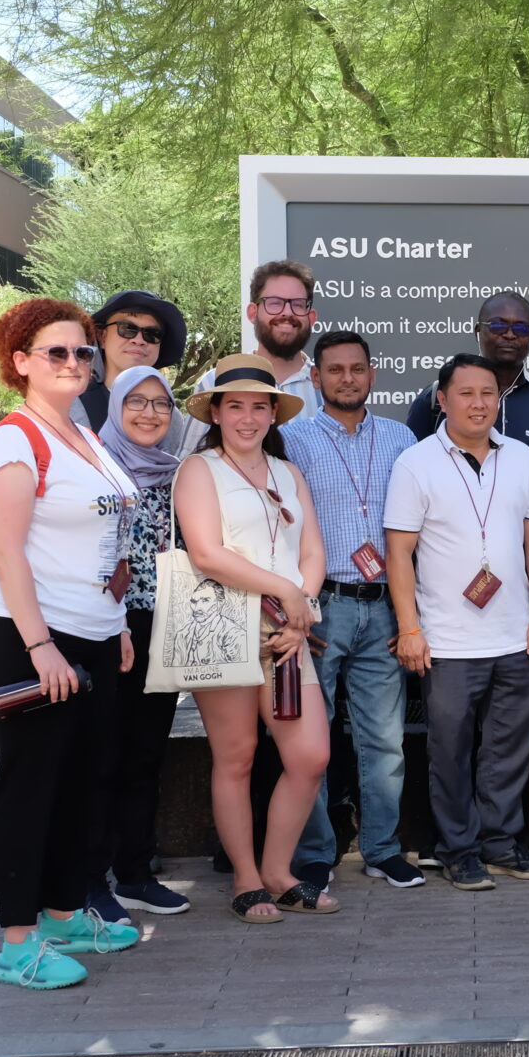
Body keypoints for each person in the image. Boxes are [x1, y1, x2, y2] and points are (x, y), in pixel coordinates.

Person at [0, 298, 140, 989]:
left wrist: (119, 626)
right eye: (56, 353)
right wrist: (41, 648)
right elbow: (7, 555)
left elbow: (105, 541)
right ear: (21, 363)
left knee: (85, 784)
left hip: (95, 636)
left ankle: (65, 913)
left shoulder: (83, 434)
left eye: (82, 353)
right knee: (31, 787)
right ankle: (18, 943)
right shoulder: (15, 439)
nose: (74, 363)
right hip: (29, 638)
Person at [385, 353, 529, 892]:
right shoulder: (416, 463)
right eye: (466, 393)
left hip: (516, 635)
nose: (479, 402)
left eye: (488, 393)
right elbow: (399, 553)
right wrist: (410, 629)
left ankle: (501, 844)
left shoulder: (523, 458)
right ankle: (459, 850)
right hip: (448, 641)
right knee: (450, 751)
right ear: (442, 399)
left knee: (508, 750)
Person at [172, 354, 335, 922]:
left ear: (274, 414)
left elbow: (313, 551)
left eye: (259, 407)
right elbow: (206, 553)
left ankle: (278, 870)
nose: (247, 418)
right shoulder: (199, 470)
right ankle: (246, 879)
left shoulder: (287, 473)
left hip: (290, 632)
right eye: (234, 405)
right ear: (216, 412)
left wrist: (299, 608)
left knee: (310, 755)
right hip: (224, 624)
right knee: (236, 756)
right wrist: (286, 593)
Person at [279, 330, 424, 893]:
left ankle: (383, 849)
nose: (346, 378)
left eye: (356, 369)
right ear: (315, 377)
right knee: (309, 739)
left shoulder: (400, 438)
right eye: (334, 369)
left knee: (383, 738)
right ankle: (315, 852)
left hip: (384, 608)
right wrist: (293, 612)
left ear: (372, 374)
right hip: (320, 610)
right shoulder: (288, 440)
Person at [407, 291, 529, 630]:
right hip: (447, 575)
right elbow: (409, 489)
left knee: (523, 673)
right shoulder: (435, 402)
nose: (510, 334)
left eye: (521, 328)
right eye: (498, 325)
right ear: (477, 330)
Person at [86, 366, 190, 924]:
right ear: (117, 407)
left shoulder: (178, 475)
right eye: (137, 403)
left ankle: (135, 873)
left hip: (163, 627)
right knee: (102, 754)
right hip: (107, 630)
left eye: (160, 404)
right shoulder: (95, 468)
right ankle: (89, 881)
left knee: (147, 754)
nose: (150, 414)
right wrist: (117, 625)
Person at [180, 262, 322, 453]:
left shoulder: (326, 388)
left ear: (311, 317)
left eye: (297, 304)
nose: (287, 312)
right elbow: (188, 460)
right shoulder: (214, 383)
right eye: (275, 303)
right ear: (252, 313)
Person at [71, 290, 190, 453]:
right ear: (102, 336)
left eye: (152, 334)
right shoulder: (73, 406)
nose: (139, 340)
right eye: (127, 329)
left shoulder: (171, 417)